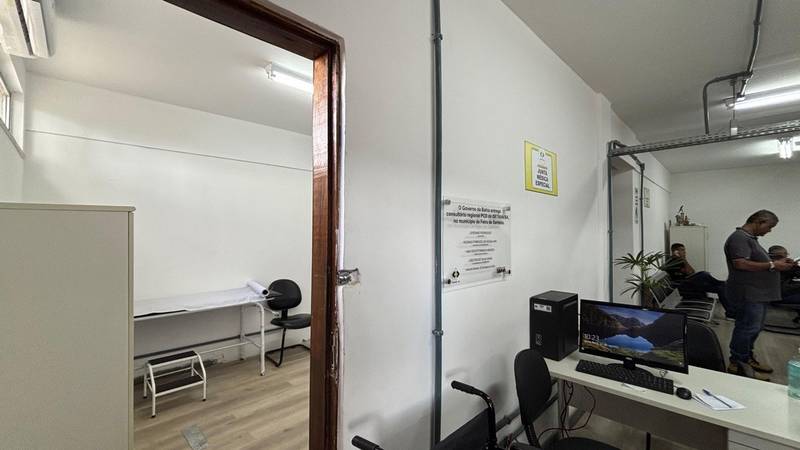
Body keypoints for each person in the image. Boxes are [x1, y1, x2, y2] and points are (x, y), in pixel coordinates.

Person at [724, 210, 796, 380]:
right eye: (769, 227)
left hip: (757, 294)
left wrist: (777, 262)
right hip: (748, 293)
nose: (769, 231)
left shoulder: (749, 239)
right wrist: (773, 265)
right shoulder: (739, 238)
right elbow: (740, 263)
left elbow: (755, 260)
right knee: (746, 328)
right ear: (759, 221)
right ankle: (738, 364)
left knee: (753, 328)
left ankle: (746, 358)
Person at [665, 243, 733, 319]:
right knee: (704, 274)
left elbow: (692, 271)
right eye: (682, 250)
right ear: (675, 251)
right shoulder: (672, 262)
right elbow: (690, 273)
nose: (685, 252)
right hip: (682, 285)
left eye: (684, 250)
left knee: (720, 288)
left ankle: (730, 314)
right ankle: (721, 282)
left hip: (690, 283)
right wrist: (683, 259)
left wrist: (683, 260)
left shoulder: (680, 261)